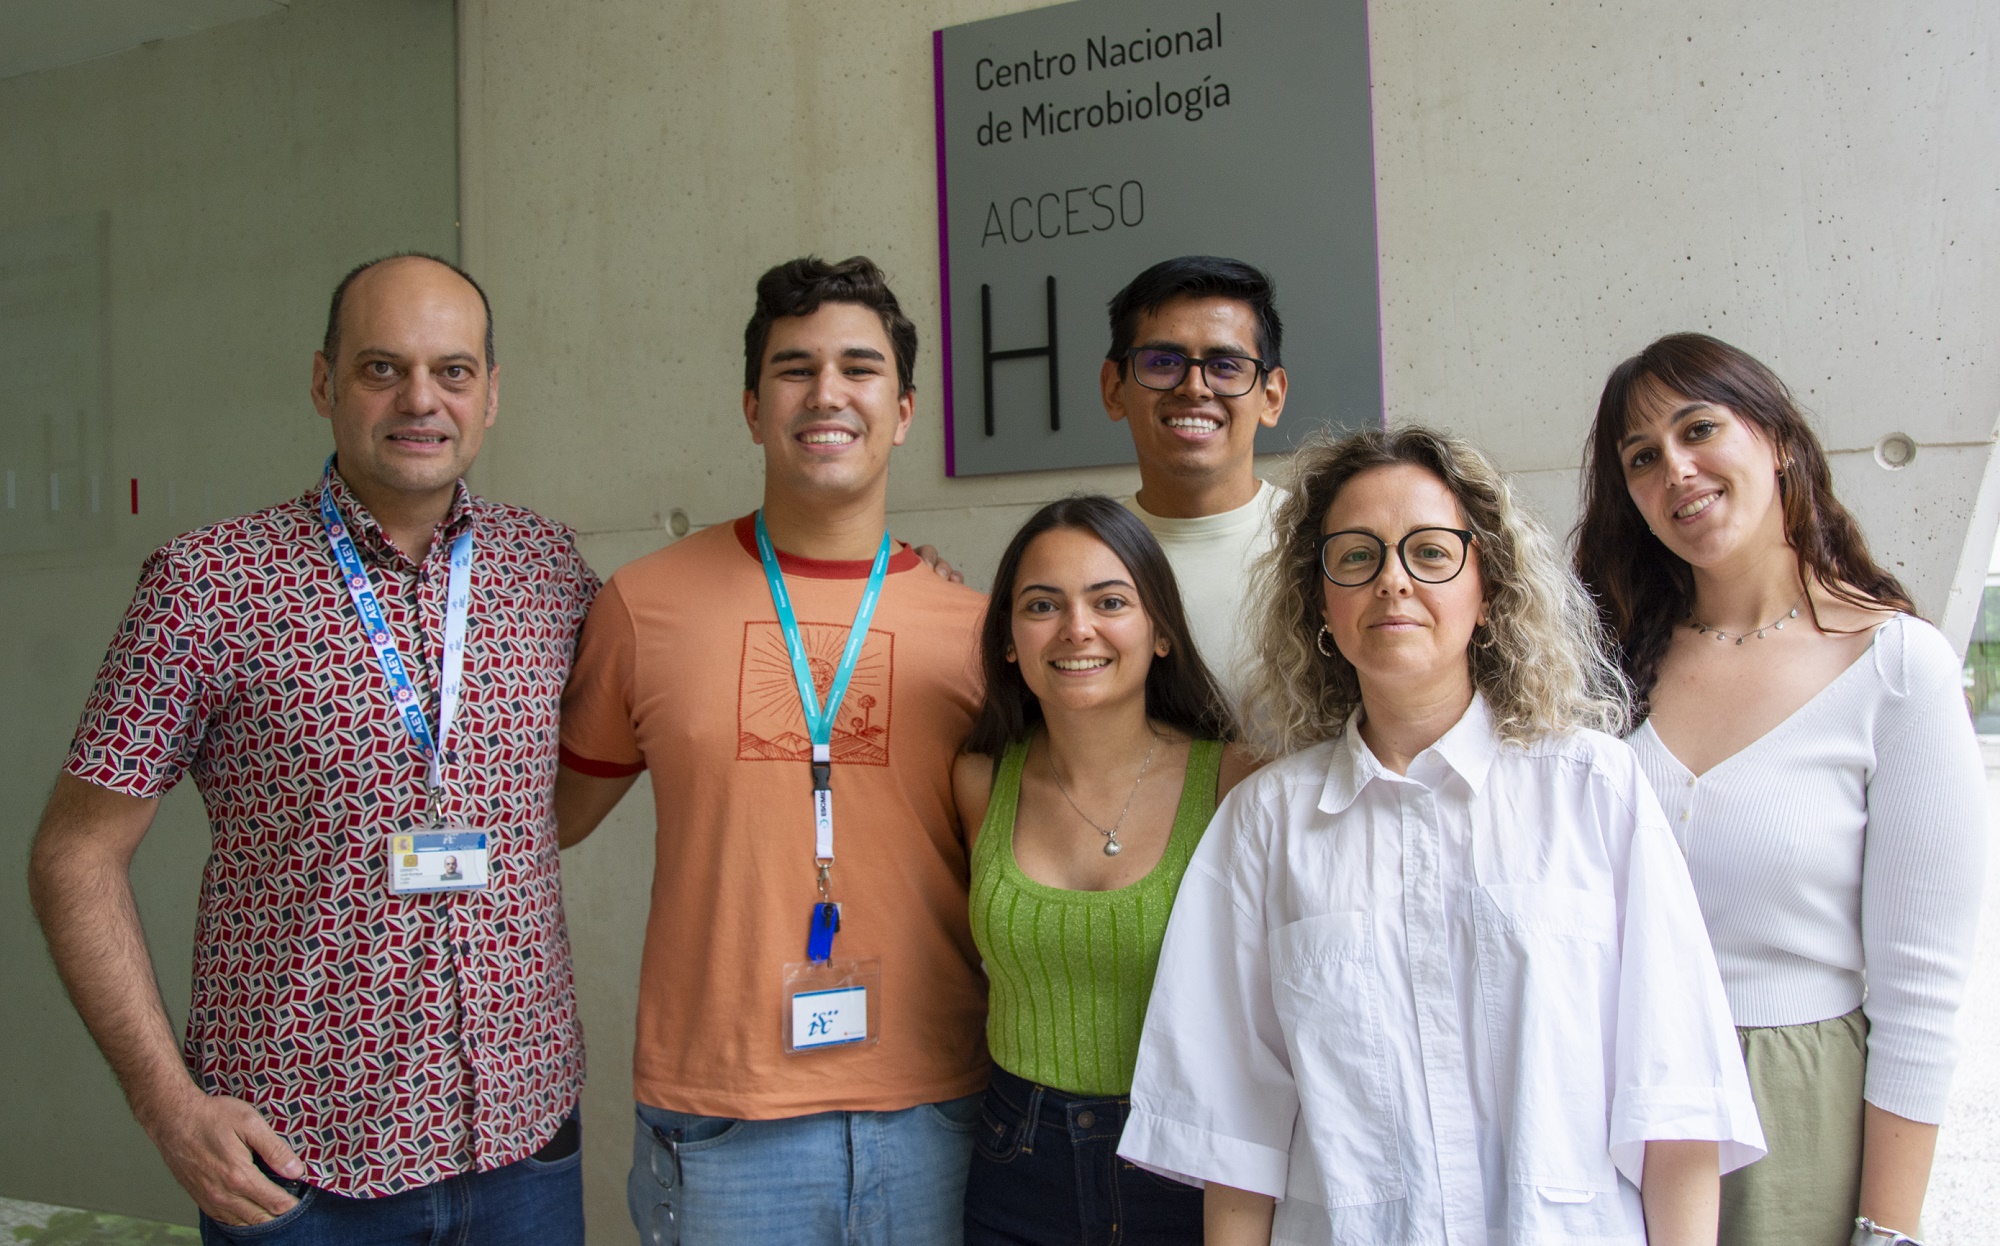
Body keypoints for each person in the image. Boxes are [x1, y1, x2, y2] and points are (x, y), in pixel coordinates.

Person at [27, 254, 595, 1244]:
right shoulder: (208, 584)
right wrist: (166, 1100)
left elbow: (685, 683)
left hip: (524, 1151)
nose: (421, 398)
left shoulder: (549, 570)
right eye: (383, 368)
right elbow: (74, 854)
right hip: (302, 1176)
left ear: (491, 394)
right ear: (325, 382)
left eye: (452, 371)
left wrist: (901, 582)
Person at [1119, 426, 1767, 1245]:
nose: (1393, 580)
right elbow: (1233, 1135)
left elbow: (1675, 1103)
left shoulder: (1593, 791)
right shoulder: (1265, 826)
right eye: (1356, 557)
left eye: (1430, 553)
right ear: (1321, 601)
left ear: (1487, 589)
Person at [553, 255, 990, 1246]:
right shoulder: (643, 604)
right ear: (752, 408)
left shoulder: (980, 630)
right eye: (794, 369)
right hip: (722, 1124)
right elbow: (546, 823)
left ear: (906, 408)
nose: (826, 393)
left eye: (858, 368)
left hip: (935, 1110)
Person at [1573, 333, 1987, 1246]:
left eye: (1699, 429)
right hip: (1606, 1108)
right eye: (1642, 458)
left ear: (1780, 442)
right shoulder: (1600, 671)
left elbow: (1920, 997)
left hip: (1793, 1116)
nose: (1675, 469)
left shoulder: (1896, 668)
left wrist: (1890, 1231)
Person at [951, 495, 1259, 1245]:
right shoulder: (977, 782)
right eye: (1041, 605)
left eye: (1110, 601)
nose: (1076, 628)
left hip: (1186, 1162)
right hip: (1013, 1155)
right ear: (1010, 642)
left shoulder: (1237, 783)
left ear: (1159, 632)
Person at [1101, 256, 1291, 722]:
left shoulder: (1319, 545)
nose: (1194, 387)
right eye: (1163, 361)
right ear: (1113, 388)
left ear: (1270, 397)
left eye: (1226, 365)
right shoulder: (1086, 556)